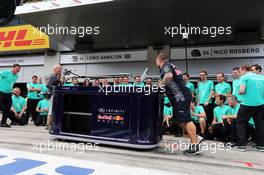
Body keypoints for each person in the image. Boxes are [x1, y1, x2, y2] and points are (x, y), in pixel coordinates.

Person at [156, 53, 203, 155]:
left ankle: (195, 145)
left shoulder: (166, 66)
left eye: (157, 61)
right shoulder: (172, 66)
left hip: (180, 97)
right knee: (177, 120)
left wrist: (161, 84)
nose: (157, 64)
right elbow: (172, 82)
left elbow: (169, 76)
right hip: (179, 96)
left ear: (159, 60)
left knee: (186, 120)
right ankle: (196, 137)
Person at [233, 65, 264, 152]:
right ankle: (261, 145)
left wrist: (238, 93)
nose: (240, 73)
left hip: (247, 104)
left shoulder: (245, 77)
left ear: (244, 70)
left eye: (240, 71)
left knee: (240, 123)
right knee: (260, 124)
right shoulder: (262, 78)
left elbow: (242, 91)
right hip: (260, 104)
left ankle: (241, 145)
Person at [46, 64, 62, 130]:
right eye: (59, 69)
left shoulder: (56, 76)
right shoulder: (53, 76)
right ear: (55, 69)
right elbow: (48, 85)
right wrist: (55, 87)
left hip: (53, 94)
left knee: (52, 109)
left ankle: (50, 124)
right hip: (52, 95)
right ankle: (48, 125)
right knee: (51, 109)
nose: (60, 70)